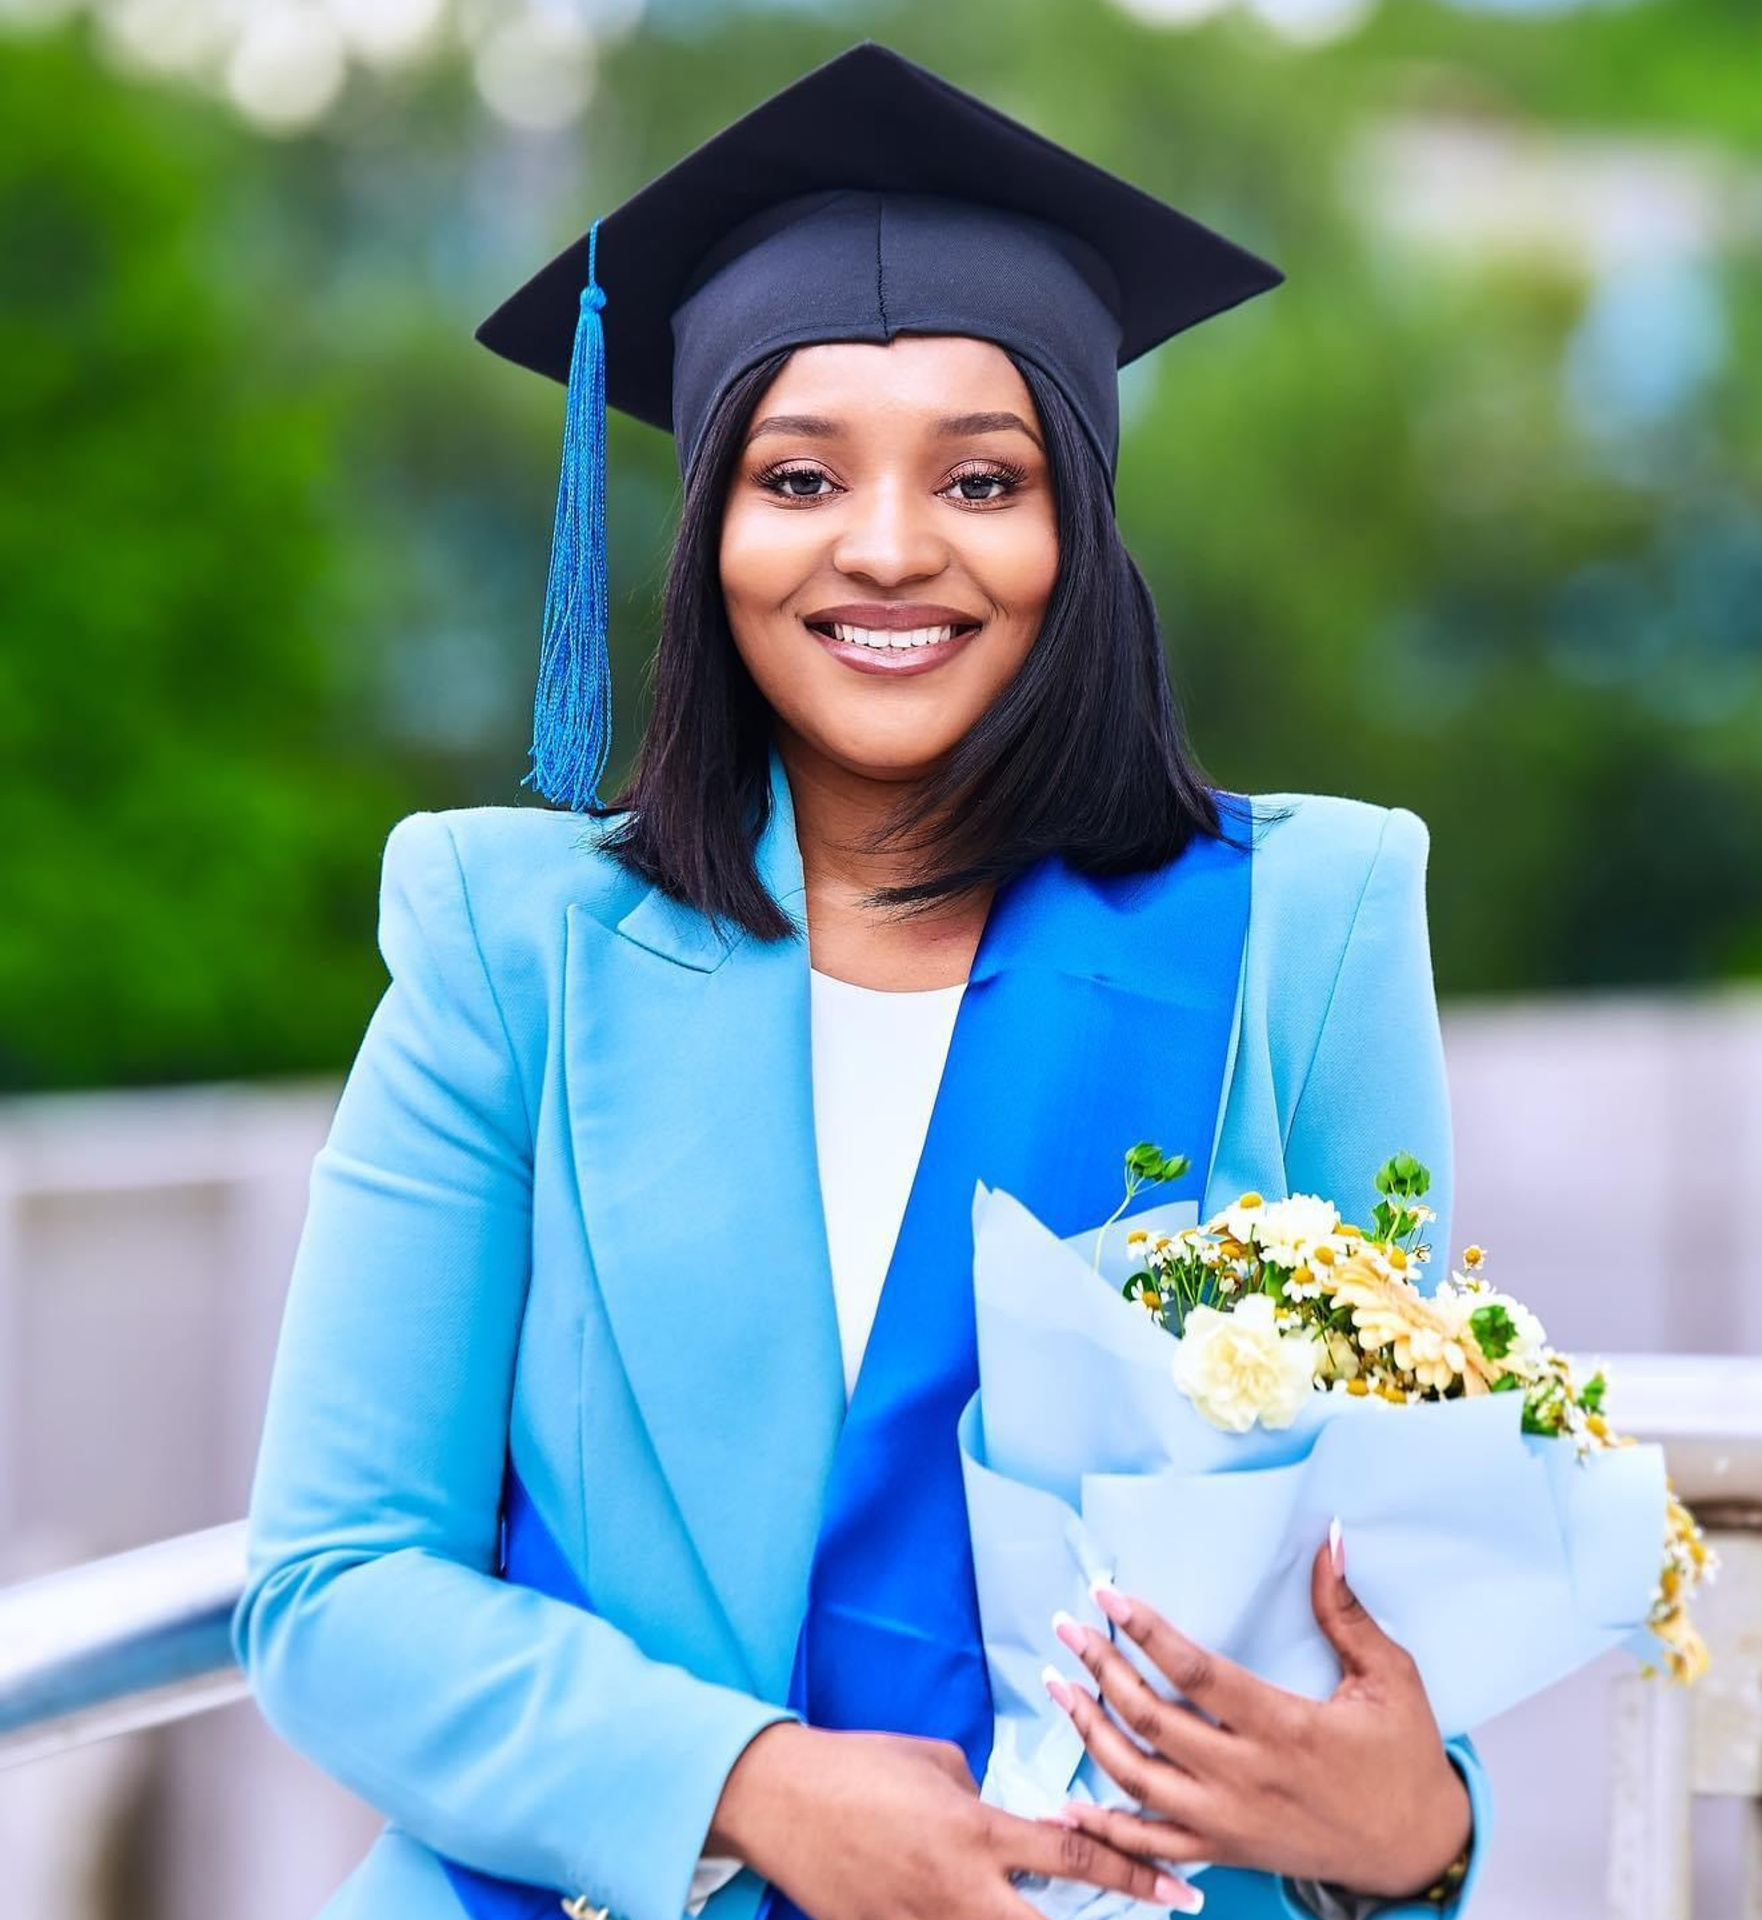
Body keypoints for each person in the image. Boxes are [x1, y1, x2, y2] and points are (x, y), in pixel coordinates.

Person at [230, 40, 1490, 1920]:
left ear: (1077, 530)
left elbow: (1388, 1613)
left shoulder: (1299, 936)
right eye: (798, 474)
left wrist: (1419, 1841)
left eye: (983, 480)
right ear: (709, 532)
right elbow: (334, 1589)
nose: (889, 548)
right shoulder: (514, 954)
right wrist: (749, 1789)